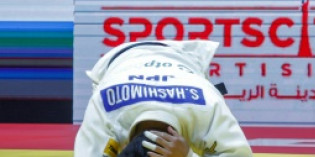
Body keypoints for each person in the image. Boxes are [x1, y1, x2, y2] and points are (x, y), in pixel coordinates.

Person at [74, 40, 252, 157]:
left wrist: (188, 155)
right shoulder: (104, 107)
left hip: (184, 59)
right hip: (119, 62)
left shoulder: (207, 107)